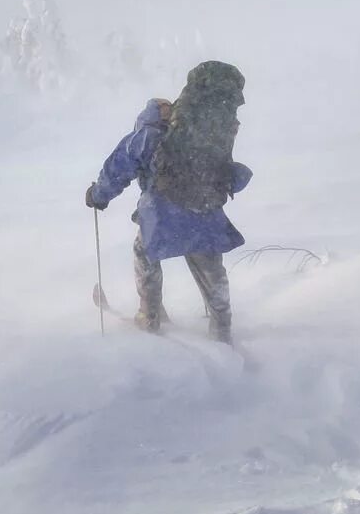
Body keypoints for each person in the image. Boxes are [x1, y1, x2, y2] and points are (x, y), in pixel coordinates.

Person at [84, 61, 252, 343]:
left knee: (145, 253)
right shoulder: (205, 134)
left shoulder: (147, 134)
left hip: (164, 213)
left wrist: (98, 196)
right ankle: (221, 327)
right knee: (209, 265)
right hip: (206, 209)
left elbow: (117, 168)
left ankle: (150, 317)